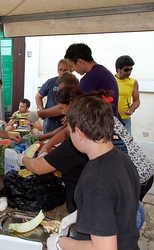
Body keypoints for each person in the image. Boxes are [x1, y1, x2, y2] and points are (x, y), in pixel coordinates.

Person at [47, 96, 140, 250]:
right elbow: (117, 204)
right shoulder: (121, 158)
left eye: (70, 131)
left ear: (79, 133)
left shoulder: (96, 180)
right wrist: (83, 212)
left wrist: (60, 242)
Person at [64, 42, 119, 116]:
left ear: (80, 62)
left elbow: (76, 103)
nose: (72, 70)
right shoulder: (101, 71)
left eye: (72, 66)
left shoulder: (92, 77)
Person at [35, 59, 69, 133]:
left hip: (65, 122)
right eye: (60, 69)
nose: (62, 72)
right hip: (50, 120)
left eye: (65, 70)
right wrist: (42, 110)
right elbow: (38, 96)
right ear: (57, 70)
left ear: (70, 70)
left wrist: (70, 115)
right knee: (46, 142)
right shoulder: (51, 82)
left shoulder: (73, 84)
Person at [114, 55, 139, 134]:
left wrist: (131, 109)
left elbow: (136, 101)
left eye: (131, 69)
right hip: (111, 118)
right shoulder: (110, 79)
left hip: (125, 118)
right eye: (126, 70)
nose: (129, 72)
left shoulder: (133, 82)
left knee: (128, 143)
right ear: (118, 69)